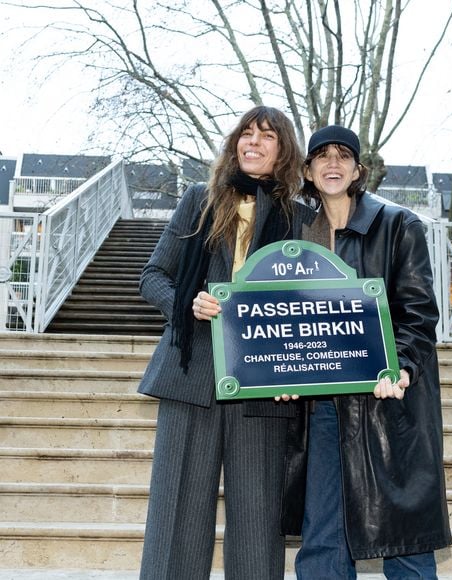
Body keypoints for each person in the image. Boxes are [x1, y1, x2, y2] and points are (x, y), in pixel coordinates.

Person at [137, 105, 310, 580]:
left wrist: (298, 372)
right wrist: (186, 303)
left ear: (284, 150)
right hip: (190, 374)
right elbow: (152, 276)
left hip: (263, 384)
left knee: (257, 524)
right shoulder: (199, 198)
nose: (252, 143)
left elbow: (311, 305)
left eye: (266, 136)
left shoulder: (301, 217)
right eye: (246, 134)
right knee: (176, 516)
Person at [281, 125, 452, 579]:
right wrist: (280, 373)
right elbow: (282, 316)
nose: (332, 164)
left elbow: (417, 314)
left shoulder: (399, 224)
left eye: (343, 156)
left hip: (387, 401)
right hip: (321, 405)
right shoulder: (295, 236)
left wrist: (402, 368)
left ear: (358, 170)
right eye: (322, 156)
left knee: (404, 535)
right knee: (323, 534)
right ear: (308, 169)